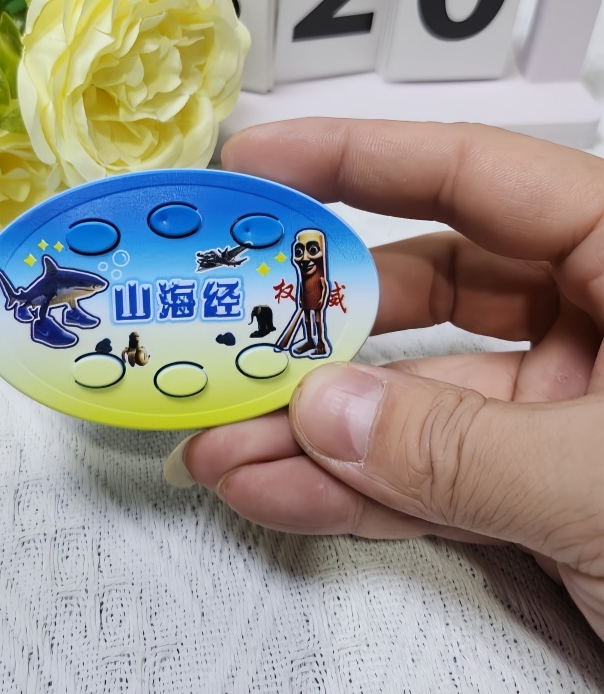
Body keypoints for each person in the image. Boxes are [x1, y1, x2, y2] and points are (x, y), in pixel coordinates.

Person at [163, 118, 604, 642]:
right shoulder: (299, 273)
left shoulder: (319, 274)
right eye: (300, 253)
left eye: (309, 252)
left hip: (314, 314)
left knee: (311, 329)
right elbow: (300, 304)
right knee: (306, 330)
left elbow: (313, 306)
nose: (304, 257)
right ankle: (301, 342)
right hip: (301, 317)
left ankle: (303, 344)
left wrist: (431, 446)